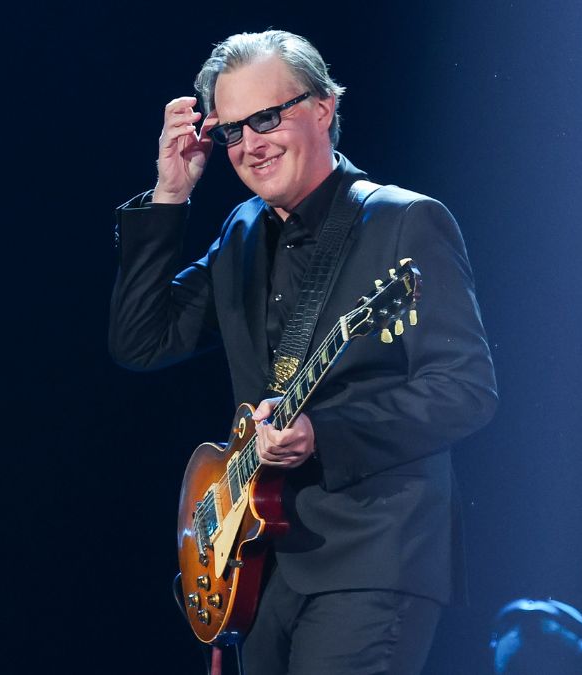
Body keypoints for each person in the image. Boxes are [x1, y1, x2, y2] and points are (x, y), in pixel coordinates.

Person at [109, 30, 498, 675]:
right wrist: (170, 195)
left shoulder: (405, 222)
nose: (249, 145)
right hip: (257, 567)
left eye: (266, 118)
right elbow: (141, 341)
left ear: (324, 107)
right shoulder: (239, 232)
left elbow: (466, 390)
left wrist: (325, 434)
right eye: (231, 130)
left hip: (372, 554)